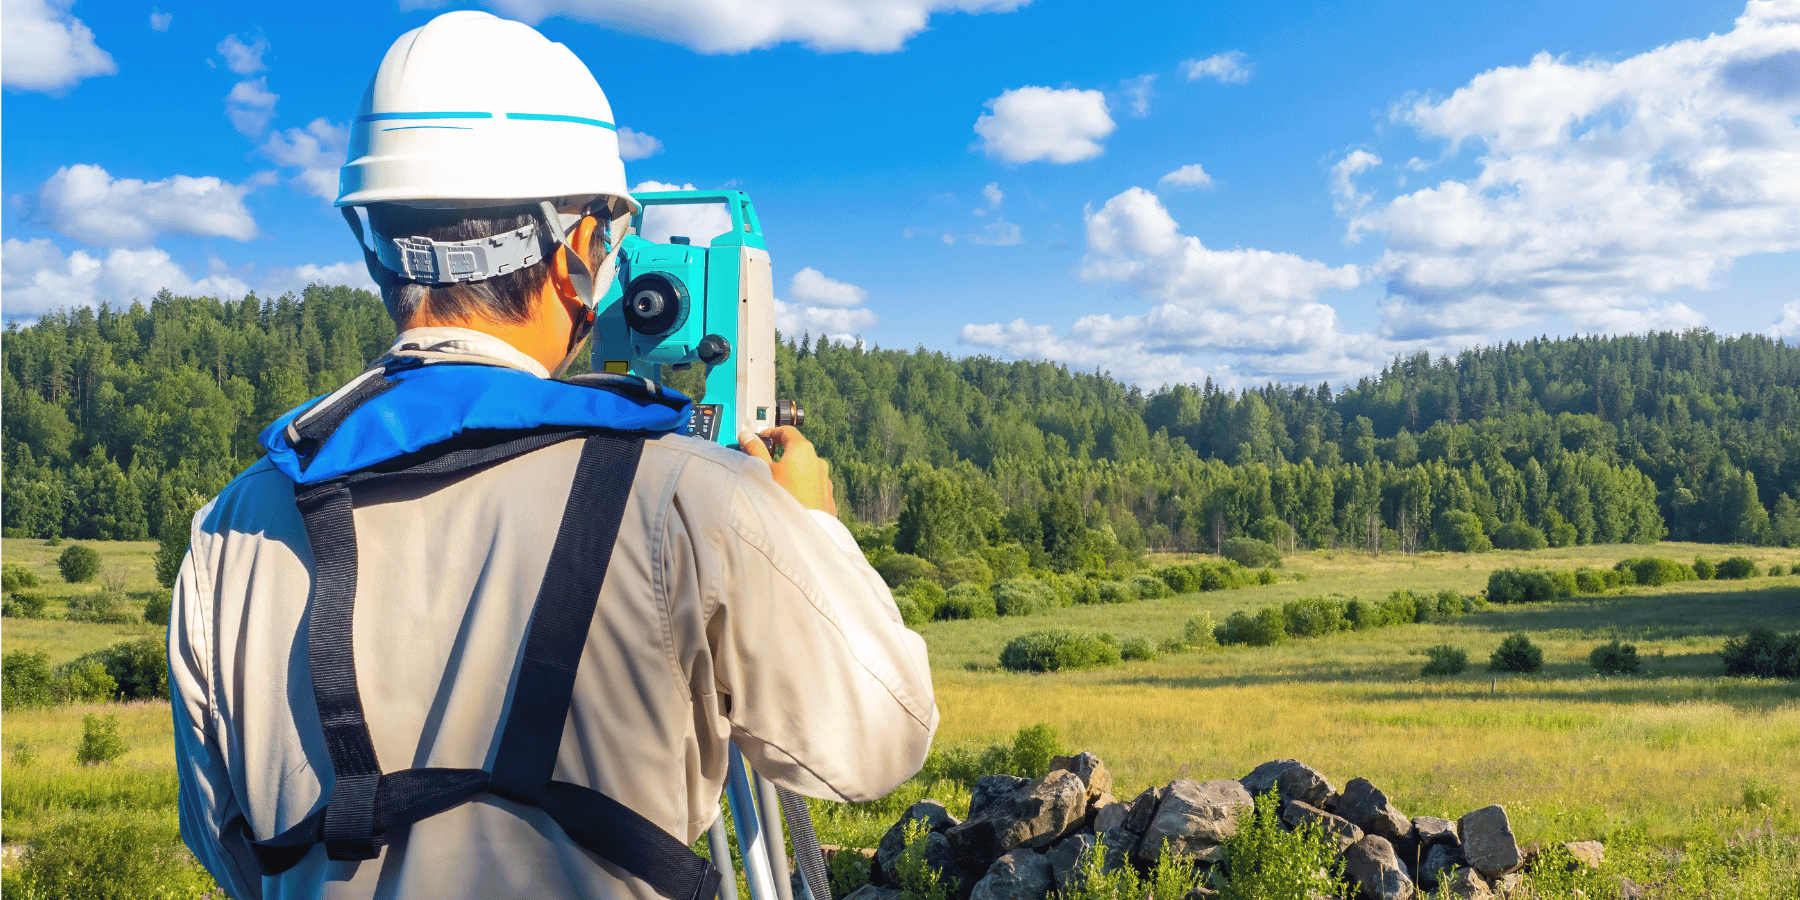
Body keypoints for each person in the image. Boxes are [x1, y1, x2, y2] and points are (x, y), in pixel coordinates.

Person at [169, 11, 936, 900]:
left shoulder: (236, 525)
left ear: (374, 245)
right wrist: (809, 525)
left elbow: (221, 839)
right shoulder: (689, 497)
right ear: (581, 247)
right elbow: (884, 736)